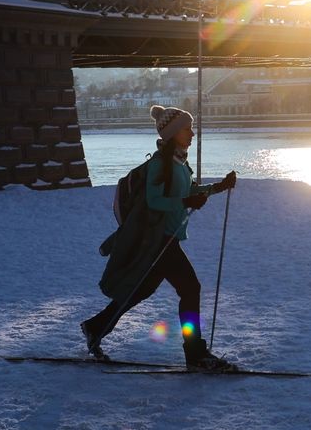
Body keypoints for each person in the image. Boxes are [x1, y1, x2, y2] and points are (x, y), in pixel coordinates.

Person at [81, 105, 237, 371]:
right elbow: (155, 201)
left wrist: (218, 187)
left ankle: (96, 327)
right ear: (173, 133)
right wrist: (186, 202)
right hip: (159, 240)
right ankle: (195, 354)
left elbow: (188, 191)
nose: (192, 134)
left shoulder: (179, 162)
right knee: (190, 289)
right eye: (187, 129)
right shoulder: (159, 164)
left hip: (167, 239)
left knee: (140, 290)